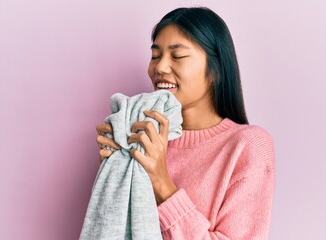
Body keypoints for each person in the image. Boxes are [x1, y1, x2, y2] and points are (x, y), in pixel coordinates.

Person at [95, 7, 275, 239]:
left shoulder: (247, 146)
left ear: (216, 70)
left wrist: (160, 182)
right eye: (155, 56)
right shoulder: (142, 137)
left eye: (177, 56)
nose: (159, 68)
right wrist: (115, 170)